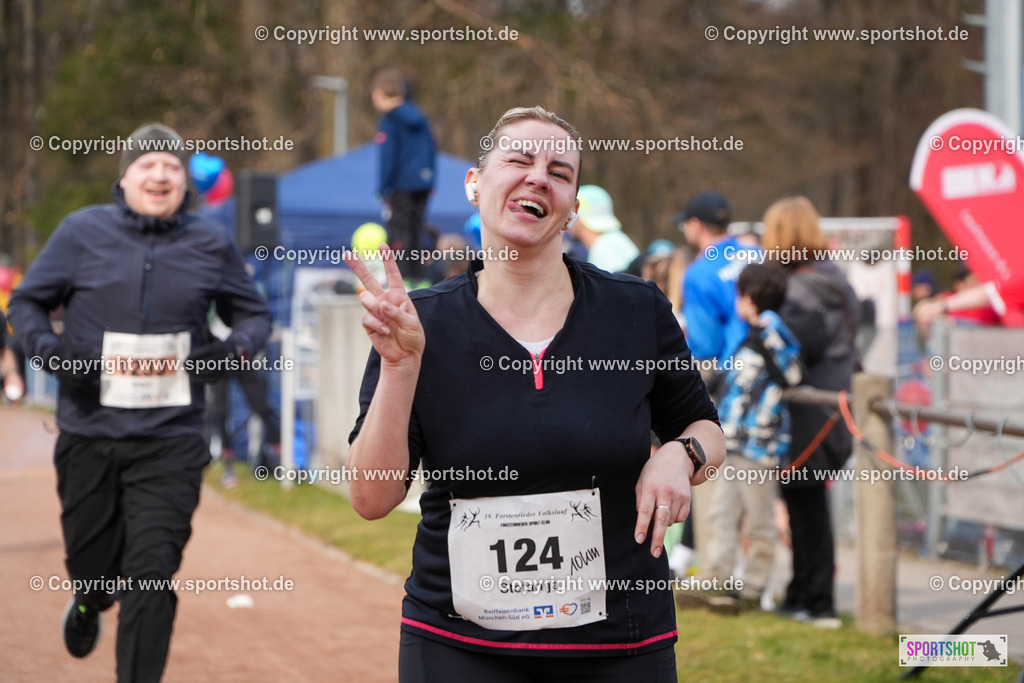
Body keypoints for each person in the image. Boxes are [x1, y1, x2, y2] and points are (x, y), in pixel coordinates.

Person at [345, 106, 724, 681]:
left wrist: (681, 453)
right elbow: (371, 500)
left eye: (560, 172)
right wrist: (400, 368)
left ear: (572, 207)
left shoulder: (635, 310)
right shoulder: (419, 323)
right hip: (459, 645)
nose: (538, 177)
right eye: (518, 159)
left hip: (618, 643)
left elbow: (706, 430)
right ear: (475, 184)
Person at [8, 123, 272, 681]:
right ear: (124, 176)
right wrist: (53, 357)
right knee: (95, 572)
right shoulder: (81, 232)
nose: (160, 175)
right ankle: (87, 601)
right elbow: (27, 303)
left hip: (171, 440)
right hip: (89, 433)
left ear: (185, 184)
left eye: (172, 167)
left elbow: (254, 315)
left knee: (151, 577)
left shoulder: (209, 243)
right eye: (148, 164)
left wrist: (230, 353)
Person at [761, 196, 856, 629]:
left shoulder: (800, 288)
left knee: (808, 506)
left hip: (816, 410)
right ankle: (802, 592)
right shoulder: (832, 277)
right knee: (806, 504)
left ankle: (818, 602)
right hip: (835, 402)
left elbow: (798, 348)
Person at [695, 263, 801, 612]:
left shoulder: (771, 328)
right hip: (734, 442)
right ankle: (716, 580)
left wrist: (766, 345)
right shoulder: (750, 333)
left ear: (750, 298)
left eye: (740, 295)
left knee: (758, 522)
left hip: (759, 446)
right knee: (720, 515)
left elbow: (793, 373)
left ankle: (754, 589)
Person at [678, 191, 760, 363]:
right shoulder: (757, 253)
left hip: (735, 374)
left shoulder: (698, 274)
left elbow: (706, 347)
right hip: (778, 361)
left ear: (695, 225)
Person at [372, 68, 437, 282]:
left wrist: (383, 188)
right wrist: (431, 179)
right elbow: (431, 149)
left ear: (381, 94)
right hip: (423, 182)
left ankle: (401, 278)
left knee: (399, 230)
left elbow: (388, 156)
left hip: (401, 184)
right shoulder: (420, 117)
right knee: (417, 228)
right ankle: (419, 277)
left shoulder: (390, 120)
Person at [568, 184, 639, 273]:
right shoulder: (616, 239)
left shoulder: (602, 248)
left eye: (571, 213)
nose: (568, 219)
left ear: (579, 218)